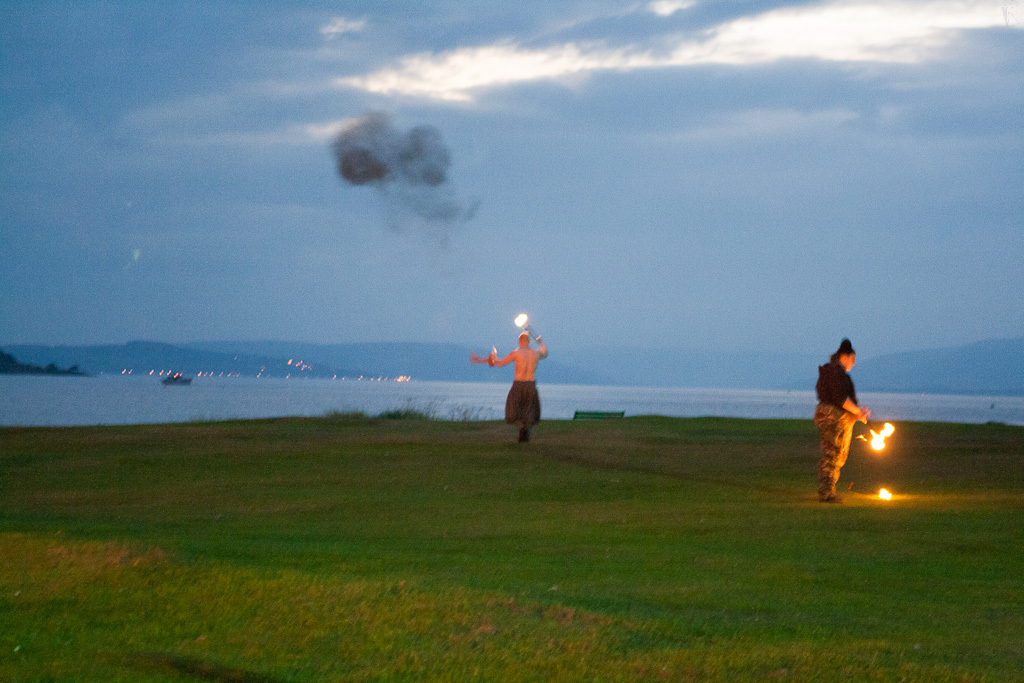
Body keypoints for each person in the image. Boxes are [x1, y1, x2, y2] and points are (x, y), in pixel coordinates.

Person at [814, 338, 870, 503]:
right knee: (833, 455)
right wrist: (858, 411)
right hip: (835, 419)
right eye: (852, 360)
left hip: (825, 415)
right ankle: (827, 494)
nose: (853, 364)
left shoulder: (827, 373)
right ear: (844, 357)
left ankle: (827, 490)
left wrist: (859, 412)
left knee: (830, 454)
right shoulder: (837, 375)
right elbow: (841, 399)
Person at [472, 331, 548, 442]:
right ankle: (525, 431)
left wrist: (489, 358)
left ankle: (521, 428)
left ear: (519, 341)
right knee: (529, 410)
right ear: (528, 341)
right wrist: (541, 342)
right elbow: (545, 353)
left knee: (513, 410)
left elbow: (500, 363)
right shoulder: (535, 353)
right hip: (531, 384)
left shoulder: (516, 353)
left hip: (518, 384)